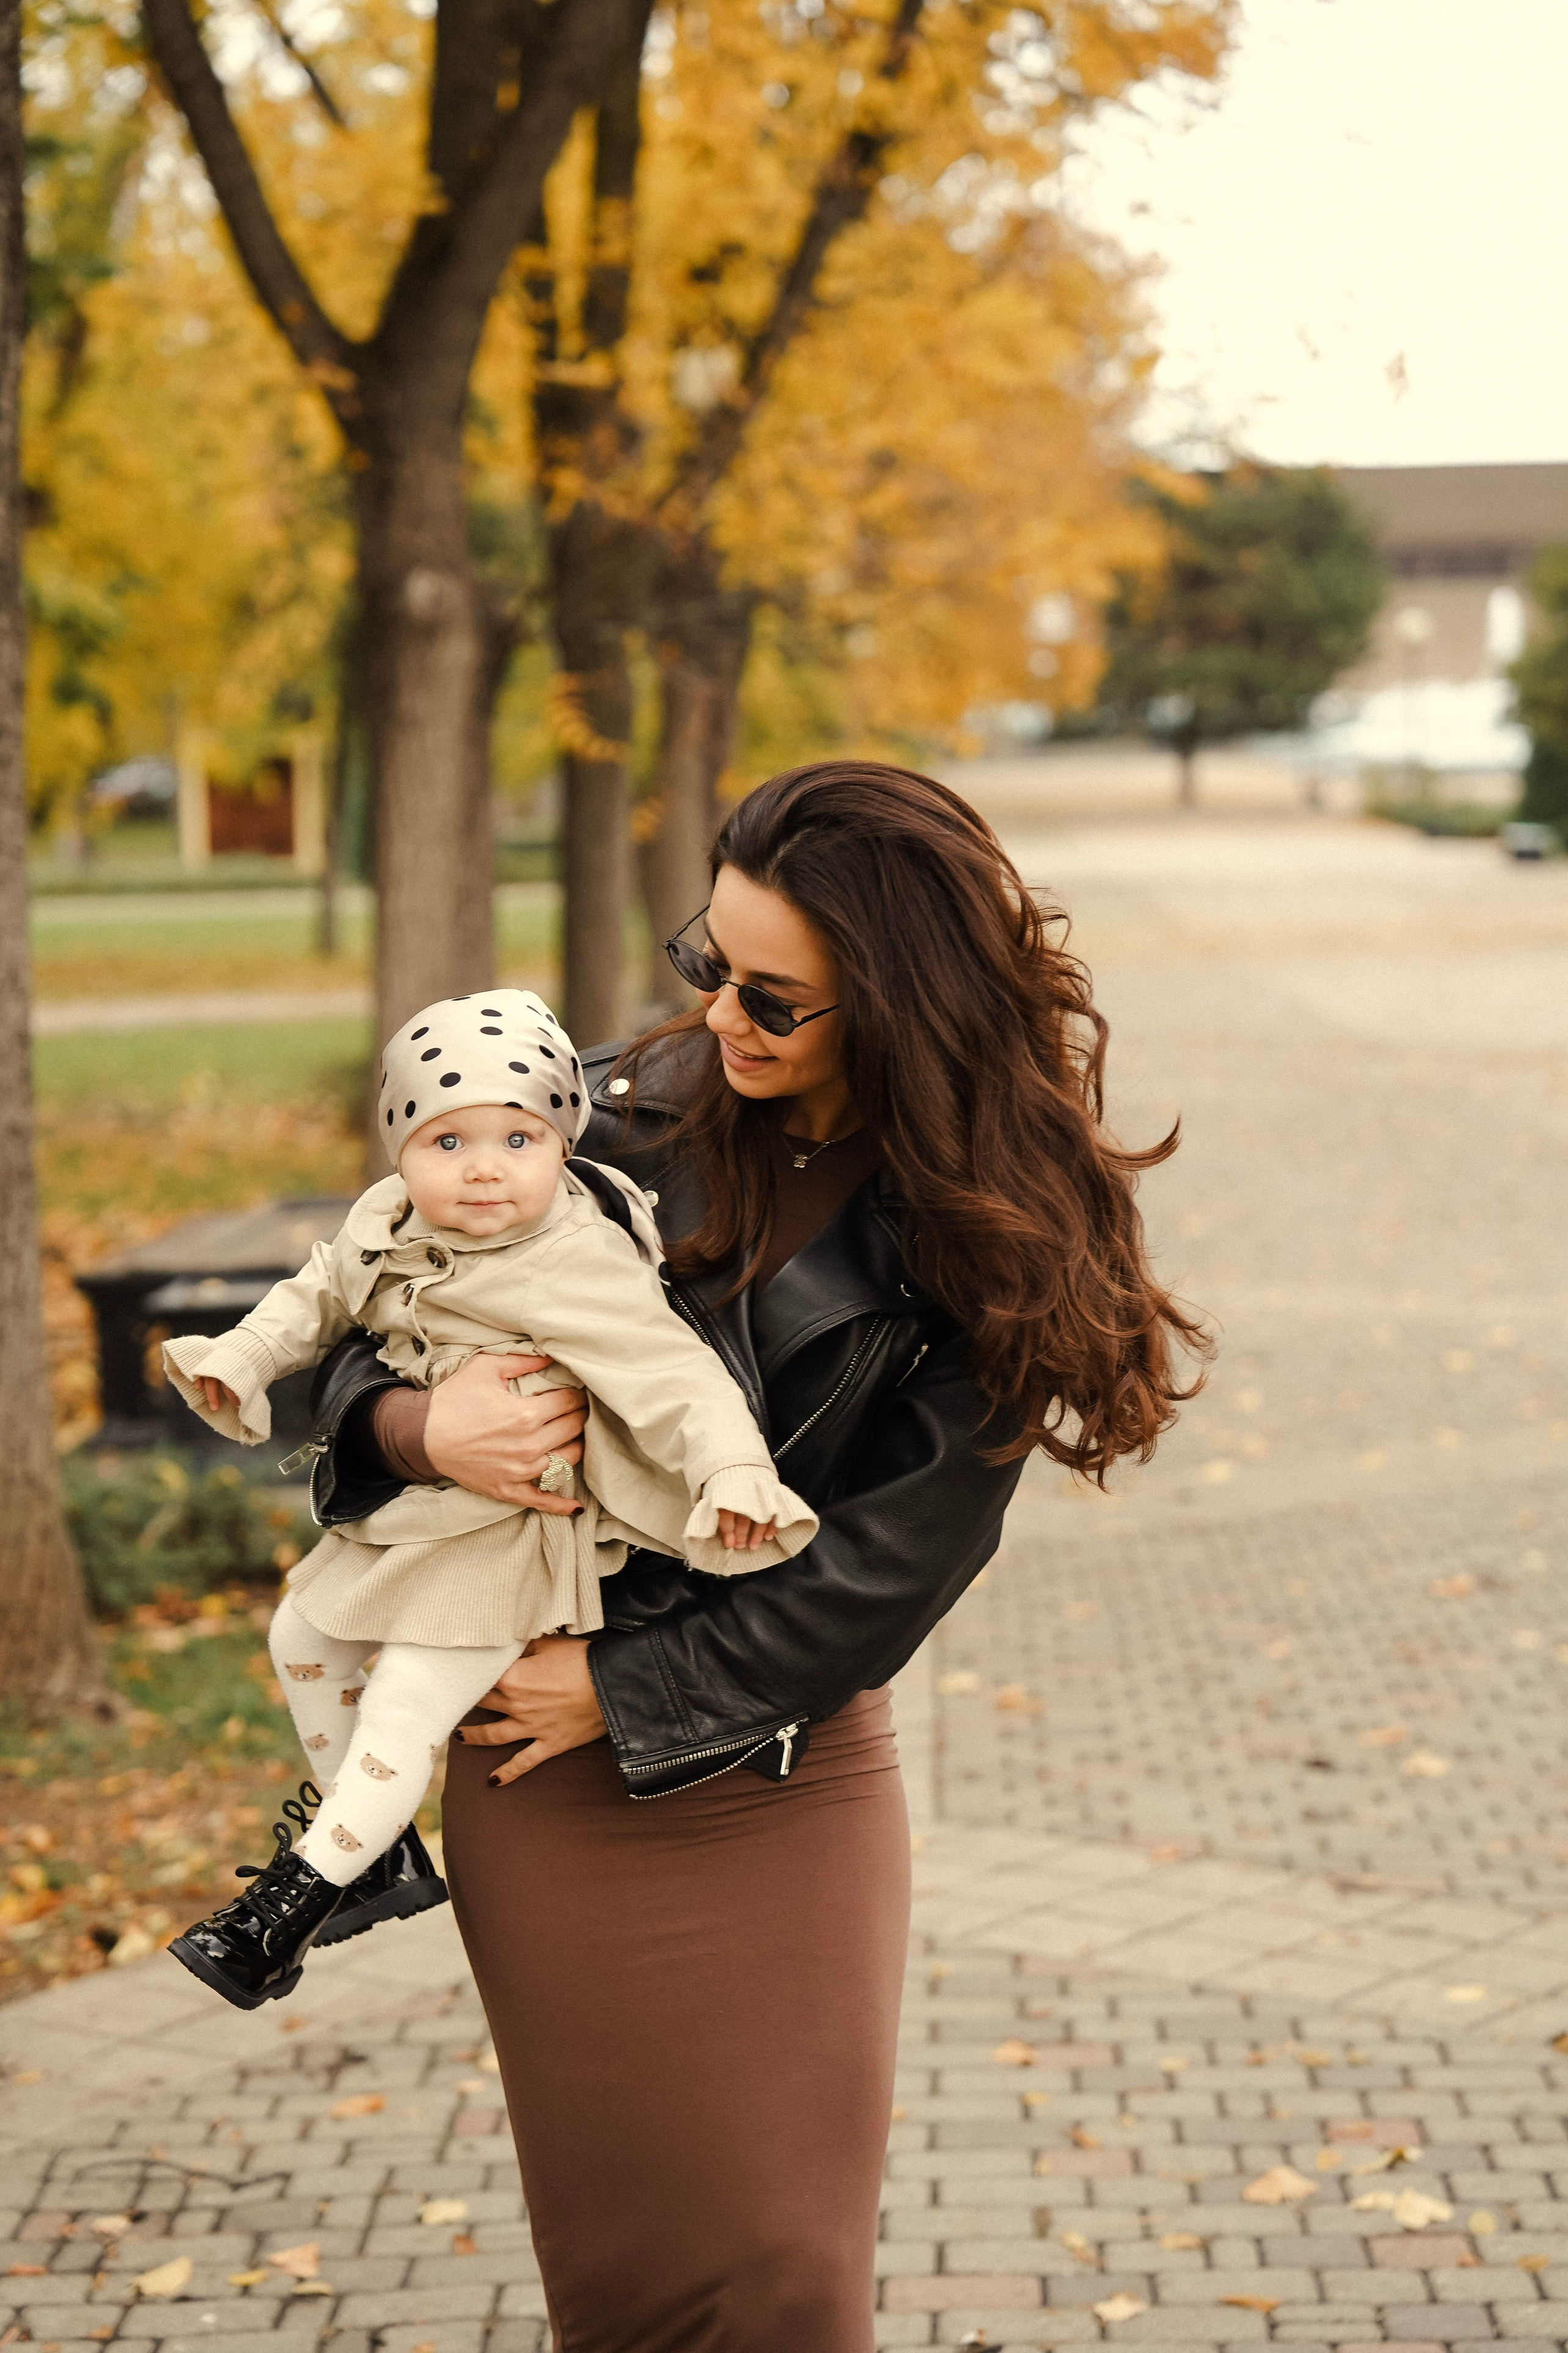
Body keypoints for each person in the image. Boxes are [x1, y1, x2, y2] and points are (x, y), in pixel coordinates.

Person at [311, 762, 1206, 2352]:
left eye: (775, 998)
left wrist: (629, 1686)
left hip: (781, 1773)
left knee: (790, 2275)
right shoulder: (596, 1120)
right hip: (538, 1779)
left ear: (904, 1004)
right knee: (633, 2286)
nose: (722, 1016)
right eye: (706, 964)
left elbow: (895, 1568)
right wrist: (421, 1429)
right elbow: (343, 1350)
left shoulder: (994, 1219)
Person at [157, 987, 816, 2011]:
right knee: (300, 1633)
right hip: (424, 1518)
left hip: (514, 1540)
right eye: (446, 1140)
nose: (484, 1167)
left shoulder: (573, 1258)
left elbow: (678, 1374)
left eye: (519, 1135)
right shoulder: (391, 1219)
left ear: (561, 1141)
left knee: (403, 1710)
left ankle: (285, 1912)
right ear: (399, 1154)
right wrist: (240, 1360)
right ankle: (376, 1860)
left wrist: (733, 1471)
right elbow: (321, 1293)